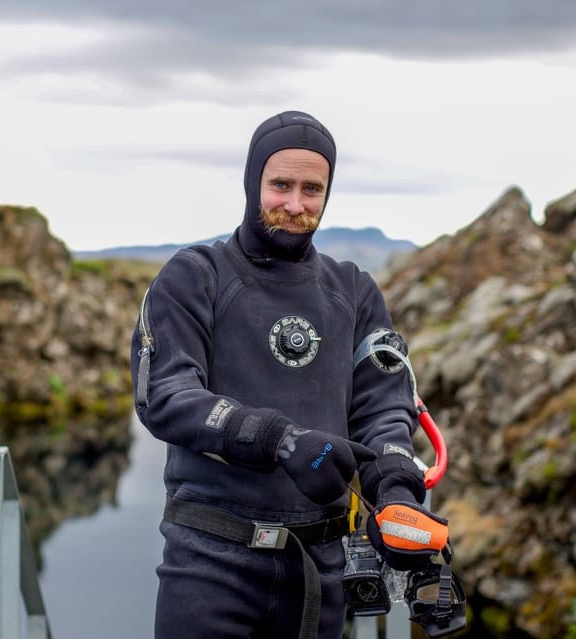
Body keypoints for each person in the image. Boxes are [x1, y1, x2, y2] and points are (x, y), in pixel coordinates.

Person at [131, 110, 445, 638]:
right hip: (209, 564)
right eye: (280, 185)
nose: (295, 205)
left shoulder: (355, 290)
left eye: (312, 189)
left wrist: (394, 489)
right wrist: (280, 439)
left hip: (318, 573)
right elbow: (165, 394)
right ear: (254, 182)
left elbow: (383, 407)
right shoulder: (194, 276)